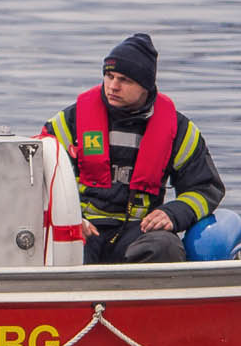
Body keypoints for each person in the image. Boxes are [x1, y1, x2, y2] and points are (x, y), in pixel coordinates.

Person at [42, 33, 224, 264]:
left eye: (125, 80)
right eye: (109, 76)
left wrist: (173, 213)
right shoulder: (69, 122)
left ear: (145, 86)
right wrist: (69, 219)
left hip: (139, 231)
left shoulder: (179, 130)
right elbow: (37, 181)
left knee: (165, 246)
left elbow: (206, 188)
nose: (113, 86)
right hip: (82, 227)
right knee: (62, 247)